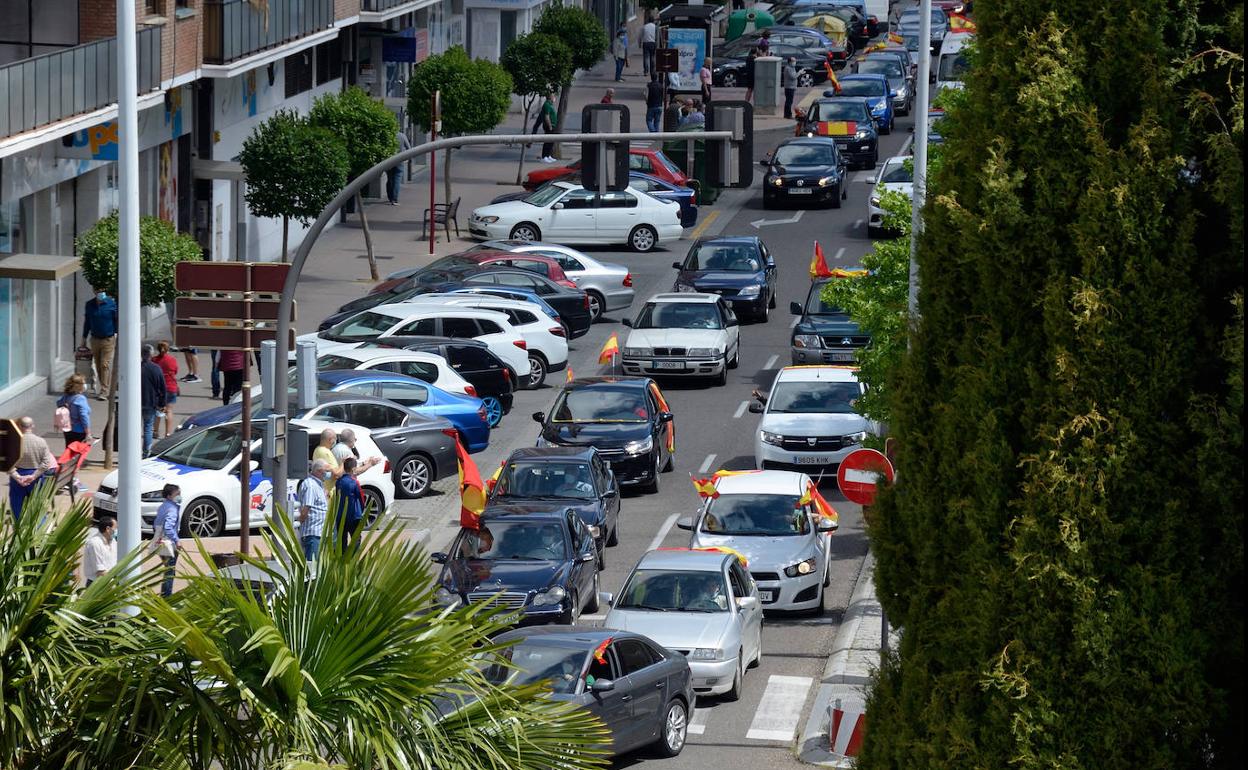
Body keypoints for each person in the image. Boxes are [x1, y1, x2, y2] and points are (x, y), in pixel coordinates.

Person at [7, 417, 58, 521]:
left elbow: (6, 463)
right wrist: (33, 476)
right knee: (38, 508)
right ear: (32, 426)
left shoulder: (13, 441)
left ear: (19, 426)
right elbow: (46, 463)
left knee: (17, 507)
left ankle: (19, 527)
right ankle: (39, 529)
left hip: (18, 475)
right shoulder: (41, 441)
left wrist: (17, 477)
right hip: (36, 476)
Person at [82, 286, 118, 401]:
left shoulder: (111, 304)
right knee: (98, 364)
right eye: (98, 291)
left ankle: (104, 390)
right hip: (95, 339)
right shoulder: (89, 305)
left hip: (108, 339)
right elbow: (87, 322)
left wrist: (117, 333)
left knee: (104, 364)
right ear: (94, 291)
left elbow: (116, 320)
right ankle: (102, 386)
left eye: (102, 291)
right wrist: (83, 337)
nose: (100, 293)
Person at [298, 459, 331, 561]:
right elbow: (305, 509)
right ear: (319, 471)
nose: (329, 473)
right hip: (312, 533)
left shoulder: (318, 485)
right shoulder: (311, 486)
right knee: (312, 567)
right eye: (327, 470)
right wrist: (301, 524)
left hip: (319, 533)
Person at [152, 483, 181, 597]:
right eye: (177, 494)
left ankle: (165, 594)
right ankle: (167, 597)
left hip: (160, 542)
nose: (179, 496)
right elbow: (168, 527)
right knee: (170, 571)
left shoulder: (163, 506)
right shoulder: (172, 509)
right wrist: (177, 540)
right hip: (170, 544)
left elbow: (156, 524)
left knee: (167, 570)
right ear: (169, 496)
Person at [139, 344, 167, 455]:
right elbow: (162, 388)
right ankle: (146, 452)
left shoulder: (136, 367)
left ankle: (133, 451)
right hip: (150, 402)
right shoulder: (156, 368)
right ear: (151, 355)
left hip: (136, 403)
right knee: (148, 427)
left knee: (136, 427)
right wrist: (162, 403)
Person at [334, 456, 366, 550]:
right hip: (353, 516)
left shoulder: (338, 482)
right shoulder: (354, 482)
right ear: (353, 469)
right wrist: (361, 510)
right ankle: (352, 557)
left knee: (342, 539)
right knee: (356, 539)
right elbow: (361, 498)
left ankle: (342, 558)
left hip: (340, 515)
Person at [57, 373, 92, 450]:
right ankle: (74, 462)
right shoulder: (80, 399)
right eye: (84, 383)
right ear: (79, 386)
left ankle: (68, 461)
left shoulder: (66, 396)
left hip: (67, 428)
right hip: (79, 430)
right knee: (78, 452)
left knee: (69, 450)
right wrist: (88, 432)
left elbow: (58, 403)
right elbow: (84, 417)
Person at [152, 341, 179, 439]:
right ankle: (168, 433)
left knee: (158, 410)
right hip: (171, 386)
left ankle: (155, 431)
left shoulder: (154, 360)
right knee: (169, 410)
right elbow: (175, 371)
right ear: (168, 349)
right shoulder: (172, 360)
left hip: (158, 388)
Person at [82, 515, 117, 587]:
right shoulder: (94, 543)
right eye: (115, 528)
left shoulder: (113, 541)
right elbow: (100, 571)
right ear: (108, 529)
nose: (116, 531)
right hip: (96, 585)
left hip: (110, 582)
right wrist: (113, 585)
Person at [313, 427, 343, 492]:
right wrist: (343, 463)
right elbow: (336, 474)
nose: (335, 442)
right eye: (335, 439)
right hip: (328, 492)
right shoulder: (325, 452)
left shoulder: (318, 449)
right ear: (330, 440)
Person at [387, 130, 412, 205]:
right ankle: (394, 199)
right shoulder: (402, 135)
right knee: (397, 180)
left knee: (390, 179)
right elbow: (409, 148)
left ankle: (390, 197)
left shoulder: (388, 134)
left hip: (389, 161)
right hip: (399, 161)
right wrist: (408, 159)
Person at [537, 93, 558, 163]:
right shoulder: (547, 105)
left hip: (553, 125)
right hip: (549, 126)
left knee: (551, 142)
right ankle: (544, 156)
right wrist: (550, 125)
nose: (554, 97)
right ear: (550, 97)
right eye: (553, 96)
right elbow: (547, 116)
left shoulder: (550, 105)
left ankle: (548, 155)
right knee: (547, 141)